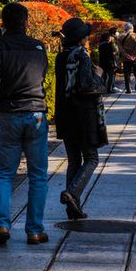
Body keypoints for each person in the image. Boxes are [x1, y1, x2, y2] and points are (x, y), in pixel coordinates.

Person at [0, 2, 51, 246]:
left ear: (2, 22)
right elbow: (43, 73)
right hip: (36, 112)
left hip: (10, 112)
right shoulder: (38, 46)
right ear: (26, 21)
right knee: (38, 175)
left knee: (4, 172)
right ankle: (34, 229)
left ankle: (2, 224)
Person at [55, 17, 107, 221]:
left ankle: (73, 208)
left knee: (74, 160)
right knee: (92, 157)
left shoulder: (61, 57)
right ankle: (72, 193)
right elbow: (88, 86)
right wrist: (99, 76)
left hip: (65, 114)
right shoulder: (82, 57)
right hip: (84, 115)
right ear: (81, 38)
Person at [119, 24, 136, 93]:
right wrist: (133, 55)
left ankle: (128, 89)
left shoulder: (121, 37)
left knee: (127, 74)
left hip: (125, 58)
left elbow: (120, 48)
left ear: (125, 28)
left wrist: (126, 55)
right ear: (132, 28)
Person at [96, 29, 119, 94]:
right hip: (109, 63)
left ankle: (104, 89)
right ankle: (109, 89)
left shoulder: (101, 45)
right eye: (110, 37)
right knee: (111, 77)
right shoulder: (107, 45)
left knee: (105, 77)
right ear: (107, 38)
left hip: (103, 63)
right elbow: (111, 54)